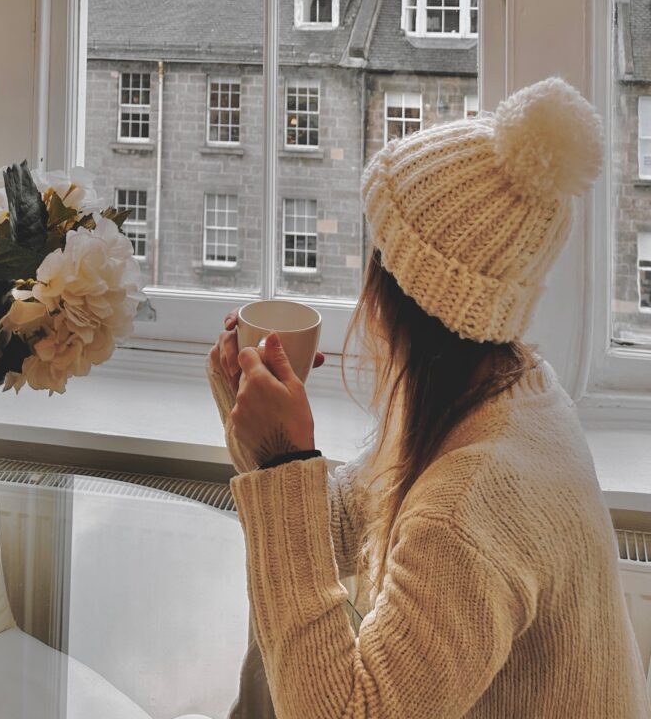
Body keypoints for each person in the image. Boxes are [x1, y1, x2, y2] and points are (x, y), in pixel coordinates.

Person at [207, 77, 651, 718]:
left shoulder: (473, 501)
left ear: (403, 294)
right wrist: (253, 418)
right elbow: (341, 529)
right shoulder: (514, 394)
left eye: (376, 253)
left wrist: (283, 463)